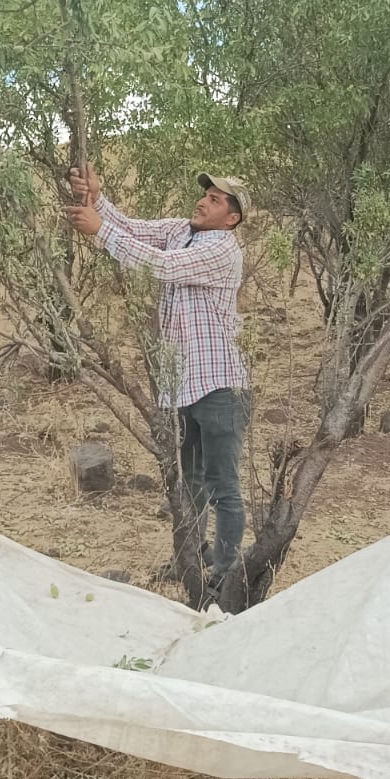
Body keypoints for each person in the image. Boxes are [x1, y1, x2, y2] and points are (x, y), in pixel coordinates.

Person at [65, 165, 251, 582]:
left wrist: (100, 231)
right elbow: (131, 228)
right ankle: (192, 559)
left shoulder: (222, 249)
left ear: (232, 218)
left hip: (221, 384)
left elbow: (161, 266)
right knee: (192, 482)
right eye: (206, 194)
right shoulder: (182, 231)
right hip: (185, 384)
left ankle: (225, 575)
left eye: (216, 199)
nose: (203, 201)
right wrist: (97, 198)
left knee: (223, 487)